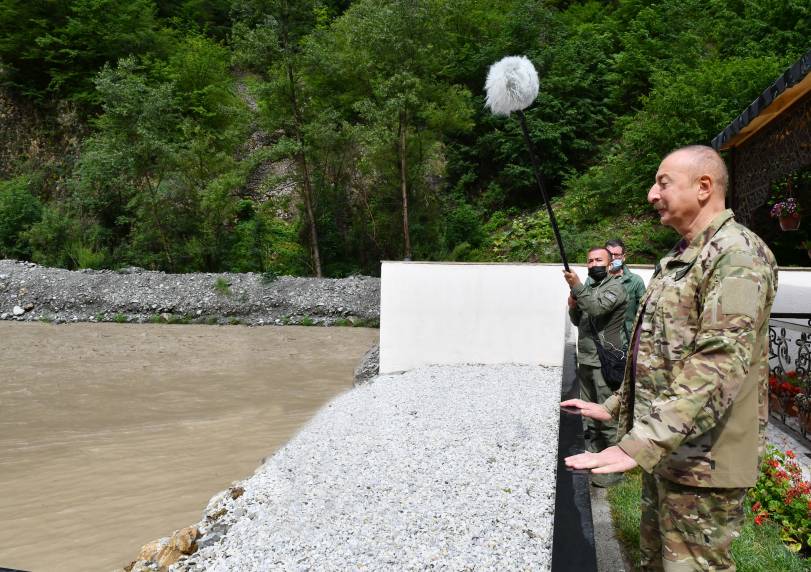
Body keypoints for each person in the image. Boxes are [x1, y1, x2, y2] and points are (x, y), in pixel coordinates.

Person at [561, 145, 778, 571]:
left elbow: (718, 363)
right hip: (668, 449)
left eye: (662, 183)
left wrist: (642, 442)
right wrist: (614, 408)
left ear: (704, 187)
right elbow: (657, 353)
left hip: (703, 461)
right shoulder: (680, 258)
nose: (651, 194)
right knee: (654, 563)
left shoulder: (737, 255)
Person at [563, 246, 628, 487]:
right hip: (587, 359)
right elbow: (579, 321)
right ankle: (595, 460)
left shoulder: (615, 288)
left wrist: (577, 286)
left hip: (605, 362)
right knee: (589, 419)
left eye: (598, 260)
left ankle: (613, 471)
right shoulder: (589, 288)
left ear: (610, 263)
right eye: (589, 261)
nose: (593, 265)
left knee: (607, 416)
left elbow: (596, 309)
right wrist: (572, 303)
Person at [605, 238, 647, 336]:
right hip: (600, 342)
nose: (613, 258)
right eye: (609, 254)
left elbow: (643, 315)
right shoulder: (593, 280)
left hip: (625, 341)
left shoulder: (635, 281)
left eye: (617, 255)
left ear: (623, 257)